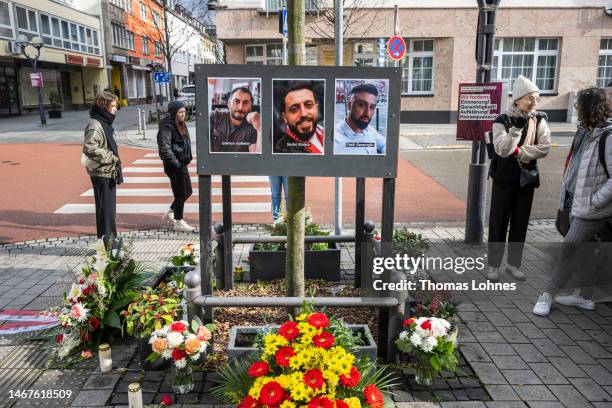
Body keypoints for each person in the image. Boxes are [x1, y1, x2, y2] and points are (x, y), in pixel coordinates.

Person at [533, 87, 612, 316]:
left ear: (588, 108)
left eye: (579, 105)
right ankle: (585, 297)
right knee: (584, 247)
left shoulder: (607, 136)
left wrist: (594, 201)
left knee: (569, 246)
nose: (576, 108)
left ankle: (547, 294)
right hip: (575, 200)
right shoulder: (585, 131)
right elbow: (576, 167)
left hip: (592, 208)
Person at [487, 75, 551, 282]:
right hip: (503, 180)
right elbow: (502, 149)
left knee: (520, 223)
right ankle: (493, 266)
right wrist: (515, 130)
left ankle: (514, 265)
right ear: (517, 100)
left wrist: (519, 152)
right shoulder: (502, 121)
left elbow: (544, 148)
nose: (534, 103)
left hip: (525, 180)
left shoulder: (539, 119)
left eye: (537, 98)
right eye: (530, 98)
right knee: (498, 223)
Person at [82, 91, 122, 246]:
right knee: (106, 211)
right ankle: (108, 244)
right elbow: (90, 148)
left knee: (107, 210)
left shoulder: (103, 122)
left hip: (107, 171)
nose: (115, 109)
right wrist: (112, 157)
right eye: (112, 106)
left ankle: (108, 241)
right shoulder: (95, 124)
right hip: (102, 172)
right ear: (104, 106)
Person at [157, 100, 195, 232]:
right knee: (181, 193)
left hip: (181, 163)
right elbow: (165, 148)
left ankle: (171, 213)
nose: (183, 114)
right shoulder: (167, 126)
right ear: (174, 113)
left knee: (187, 191)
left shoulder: (180, 123)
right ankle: (178, 221)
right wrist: (177, 163)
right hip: (174, 165)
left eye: (184, 111)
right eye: (180, 112)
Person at [334, 83, 386, 155]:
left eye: (372, 107)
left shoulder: (369, 130)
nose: (367, 113)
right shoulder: (335, 141)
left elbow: (385, 145)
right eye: (361, 105)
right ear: (350, 106)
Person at [274, 82, 325, 154]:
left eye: (308, 105)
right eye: (294, 109)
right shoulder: (282, 151)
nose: (303, 114)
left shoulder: (327, 132)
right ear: (285, 118)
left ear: (316, 109)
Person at [209, 86, 261, 153]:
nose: (240, 107)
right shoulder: (215, 117)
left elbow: (256, 156)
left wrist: (259, 128)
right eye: (236, 101)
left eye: (245, 103)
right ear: (228, 104)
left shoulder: (252, 126)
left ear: (250, 106)